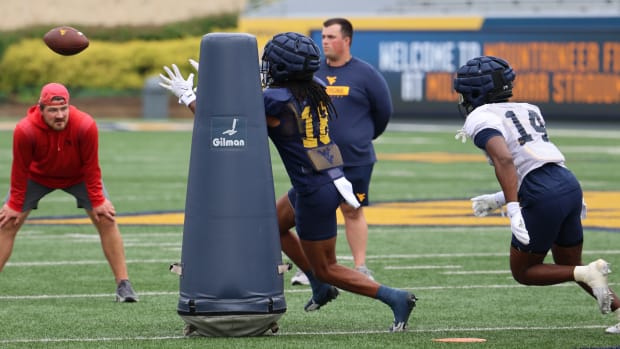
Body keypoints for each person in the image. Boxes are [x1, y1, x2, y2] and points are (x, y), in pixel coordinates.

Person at [159, 32, 416, 331]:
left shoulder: (275, 101)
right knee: (274, 226)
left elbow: (230, 122)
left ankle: (394, 297)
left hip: (313, 190)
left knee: (328, 267)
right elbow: (260, 101)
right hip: (329, 177)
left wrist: (192, 96)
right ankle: (320, 288)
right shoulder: (316, 87)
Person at [453, 55, 620, 334]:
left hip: (541, 192)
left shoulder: (480, 116)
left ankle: (590, 273)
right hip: (566, 182)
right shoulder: (529, 108)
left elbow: (505, 159)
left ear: (474, 91)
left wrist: (513, 207)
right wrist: (498, 199)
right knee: (569, 265)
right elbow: (534, 158)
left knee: (525, 271)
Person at [0, 83, 138, 303]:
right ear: (41, 109)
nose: (60, 115)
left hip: (79, 176)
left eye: (63, 109)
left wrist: (98, 201)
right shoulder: (25, 130)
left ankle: (124, 285)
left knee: (106, 218)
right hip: (37, 177)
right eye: (53, 110)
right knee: (7, 222)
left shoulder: (85, 125)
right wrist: (15, 205)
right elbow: (20, 169)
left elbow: (92, 167)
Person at [288, 17, 393, 286]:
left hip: (355, 157)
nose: (325, 41)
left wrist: (361, 137)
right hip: (318, 155)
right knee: (311, 208)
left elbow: (383, 112)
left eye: (331, 37)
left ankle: (361, 266)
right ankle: (311, 267)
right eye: (323, 37)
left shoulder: (366, 73)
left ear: (346, 40)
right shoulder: (311, 74)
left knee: (352, 208)